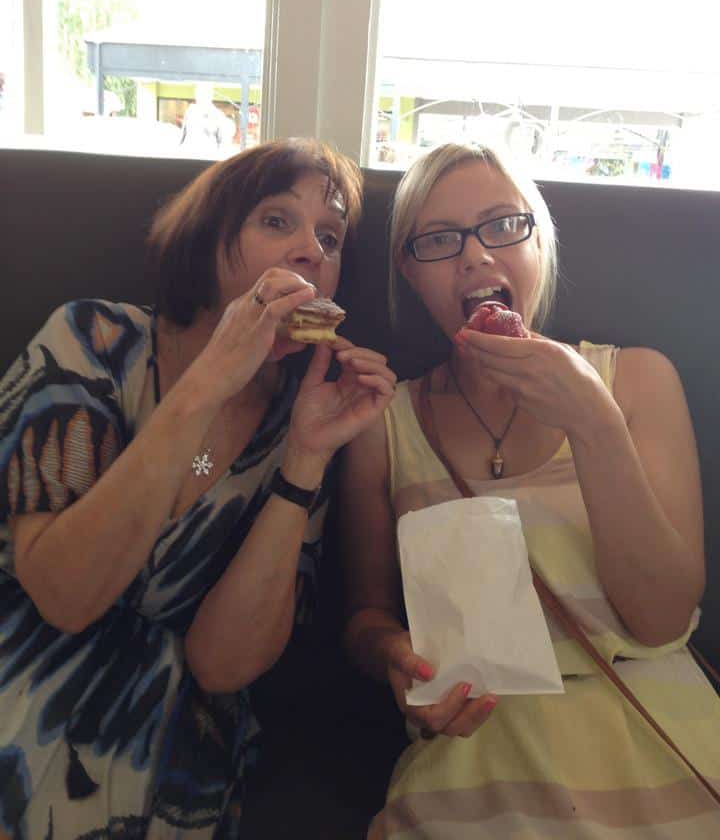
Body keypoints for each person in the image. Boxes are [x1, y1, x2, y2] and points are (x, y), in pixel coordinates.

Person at [0, 138, 396, 839]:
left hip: (167, 760)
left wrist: (305, 459)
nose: (311, 250)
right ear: (210, 240)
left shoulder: (304, 418)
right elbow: (66, 595)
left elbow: (222, 666)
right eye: (277, 220)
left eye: (330, 237)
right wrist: (212, 381)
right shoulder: (91, 340)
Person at [340, 143, 720, 837]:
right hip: (473, 754)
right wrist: (393, 655)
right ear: (409, 271)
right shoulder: (382, 421)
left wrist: (592, 420)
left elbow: (663, 619)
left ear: (540, 241)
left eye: (503, 225)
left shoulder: (637, 380)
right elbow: (365, 617)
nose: (476, 255)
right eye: (440, 239)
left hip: (654, 734)